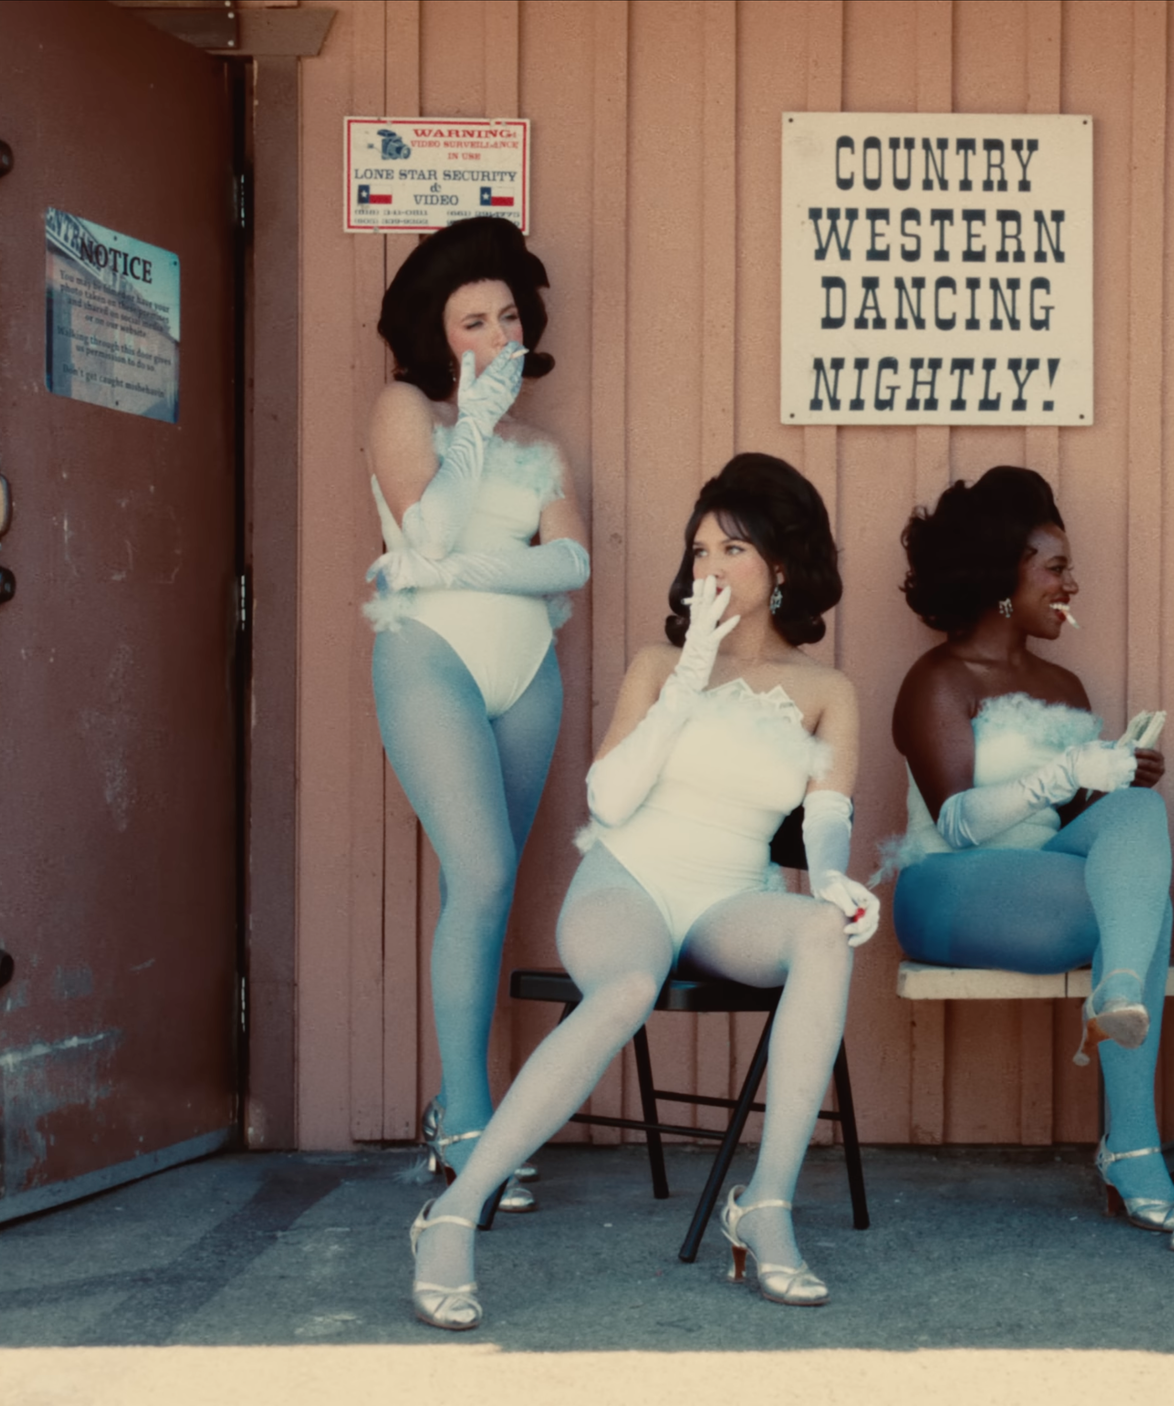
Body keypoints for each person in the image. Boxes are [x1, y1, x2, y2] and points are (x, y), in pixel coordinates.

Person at [407, 454, 874, 1328]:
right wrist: (687, 681)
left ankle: (764, 1206)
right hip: (627, 882)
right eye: (699, 550)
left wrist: (838, 884)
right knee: (626, 986)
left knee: (821, 933)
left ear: (781, 565)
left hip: (727, 900)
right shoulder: (660, 663)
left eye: (733, 549)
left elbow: (825, 821)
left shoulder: (827, 690)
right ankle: (455, 1212)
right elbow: (609, 802)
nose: (710, 568)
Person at [362, 216, 590, 1214]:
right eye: (473, 322)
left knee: (484, 891)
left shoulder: (541, 447)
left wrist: (457, 571)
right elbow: (428, 528)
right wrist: (472, 425)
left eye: (507, 317)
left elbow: (569, 562)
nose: (497, 337)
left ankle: (454, 1106)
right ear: (438, 334)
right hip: (430, 658)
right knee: (486, 872)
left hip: (527, 670)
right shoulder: (404, 407)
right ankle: (467, 1123)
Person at [886, 467, 1174, 1232]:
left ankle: (1119, 998)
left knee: (1138, 822)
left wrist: (1117, 778)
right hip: (947, 890)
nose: (1070, 586)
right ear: (1001, 578)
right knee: (1143, 908)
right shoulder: (938, 680)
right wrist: (1064, 771)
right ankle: (1133, 1147)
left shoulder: (1066, 688)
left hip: (1044, 892)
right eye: (1055, 569)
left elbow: (1078, 828)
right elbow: (957, 823)